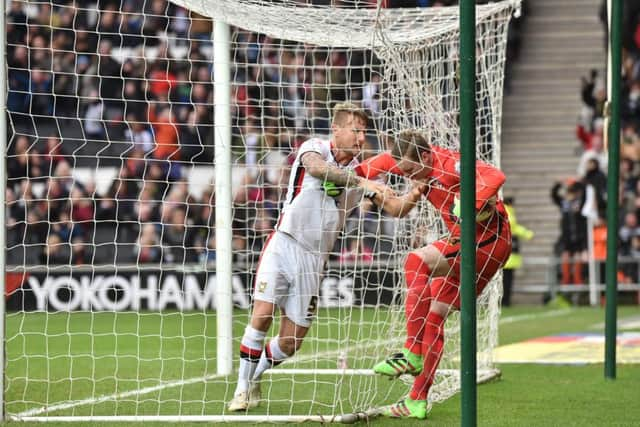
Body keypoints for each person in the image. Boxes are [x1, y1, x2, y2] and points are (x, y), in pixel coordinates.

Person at [227, 103, 386, 412]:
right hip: (284, 243)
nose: (361, 138)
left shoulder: (357, 173)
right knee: (262, 313)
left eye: (364, 132)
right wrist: (362, 184)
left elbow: (388, 204)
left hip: (315, 260)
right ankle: (241, 390)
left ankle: (255, 375)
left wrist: (411, 191)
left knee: (290, 343)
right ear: (336, 130)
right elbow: (316, 169)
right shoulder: (314, 147)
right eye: (356, 130)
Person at [356, 129, 512, 419]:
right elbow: (376, 182)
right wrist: (359, 183)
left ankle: (412, 350)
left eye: (413, 170)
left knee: (416, 260)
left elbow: (496, 176)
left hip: (486, 242)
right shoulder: (411, 165)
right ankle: (417, 399)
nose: (410, 177)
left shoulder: (450, 163)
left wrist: (471, 204)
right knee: (434, 316)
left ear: (425, 155)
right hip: (473, 242)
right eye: (405, 172)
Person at [502, 196, 534, 307]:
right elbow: (513, 228)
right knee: (507, 279)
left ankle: (505, 300)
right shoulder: (507, 213)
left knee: (507, 278)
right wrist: (527, 233)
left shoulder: (508, 212)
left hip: (510, 253)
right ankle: (505, 300)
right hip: (508, 253)